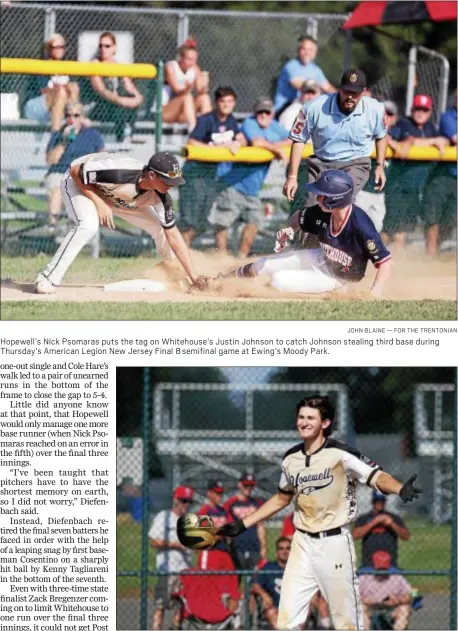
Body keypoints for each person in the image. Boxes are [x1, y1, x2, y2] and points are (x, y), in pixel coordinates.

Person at [216, 395, 422, 630]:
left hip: (334, 543)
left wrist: (399, 488)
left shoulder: (341, 453)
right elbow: (282, 497)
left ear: (325, 423)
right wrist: (243, 524)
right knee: (287, 621)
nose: (303, 422)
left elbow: (376, 476)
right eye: (301, 417)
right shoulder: (291, 458)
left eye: (310, 418)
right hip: (302, 542)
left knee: (347, 622)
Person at [34, 151, 208, 294]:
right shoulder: (120, 172)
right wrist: (100, 203)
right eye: (167, 181)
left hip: (118, 196)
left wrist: (195, 277)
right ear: (152, 175)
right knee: (88, 225)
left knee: (160, 229)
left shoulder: (161, 196)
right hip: (79, 183)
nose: (171, 185)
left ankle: (172, 272)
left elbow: (174, 236)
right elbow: (76, 171)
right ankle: (47, 277)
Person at [226, 170, 393, 298]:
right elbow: (298, 217)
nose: (317, 198)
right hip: (321, 258)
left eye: (322, 195)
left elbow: (385, 262)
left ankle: (239, 292)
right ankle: (220, 281)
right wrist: (290, 229)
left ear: (335, 199)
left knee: (279, 280)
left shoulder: (361, 224)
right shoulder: (323, 212)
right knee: (262, 265)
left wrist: (373, 294)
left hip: (337, 278)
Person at [284, 68, 388, 210]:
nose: (350, 96)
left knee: (341, 201)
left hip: (355, 162)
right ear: (339, 89)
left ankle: (341, 230)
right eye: (346, 91)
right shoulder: (313, 108)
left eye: (355, 93)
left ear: (363, 92)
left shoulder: (376, 109)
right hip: (321, 162)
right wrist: (292, 177)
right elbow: (298, 140)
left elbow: (381, 136)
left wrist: (380, 167)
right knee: (311, 210)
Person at [208, 97, 290, 257]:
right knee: (223, 222)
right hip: (232, 183)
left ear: (272, 113)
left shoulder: (274, 126)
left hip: (252, 188)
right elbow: (257, 141)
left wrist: (274, 147)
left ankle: (241, 258)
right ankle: (221, 257)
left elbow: (293, 139)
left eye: (267, 112)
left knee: (254, 222)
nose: (263, 115)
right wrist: (278, 150)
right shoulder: (249, 123)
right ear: (255, 112)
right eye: (260, 111)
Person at [181, 86, 246, 245]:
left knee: (203, 222)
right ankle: (176, 258)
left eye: (230, 101)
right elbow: (191, 141)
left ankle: (182, 253)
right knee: (190, 221)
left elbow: (241, 138)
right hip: (194, 175)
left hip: (210, 176)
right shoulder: (207, 120)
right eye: (223, 101)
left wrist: (237, 143)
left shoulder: (231, 120)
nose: (227, 105)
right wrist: (219, 148)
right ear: (217, 102)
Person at [382, 93, 448, 250]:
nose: (420, 113)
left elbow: (444, 140)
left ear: (430, 112)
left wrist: (433, 141)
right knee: (389, 230)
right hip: (398, 186)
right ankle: (375, 260)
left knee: (404, 229)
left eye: (424, 110)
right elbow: (400, 144)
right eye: (417, 109)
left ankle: (396, 262)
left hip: (415, 188)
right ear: (412, 110)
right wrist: (431, 142)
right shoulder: (404, 123)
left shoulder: (431, 128)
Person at [44, 101, 104, 228]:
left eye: (76, 115)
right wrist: (64, 141)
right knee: (56, 190)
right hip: (59, 172)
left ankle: (76, 228)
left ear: (82, 117)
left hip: (82, 174)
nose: (71, 119)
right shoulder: (58, 134)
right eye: (68, 115)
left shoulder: (92, 135)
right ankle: (53, 228)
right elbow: (51, 160)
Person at [148, 486, 194, 630]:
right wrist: (176, 544)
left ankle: (175, 628)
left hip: (184, 570)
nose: (186, 505)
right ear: (175, 500)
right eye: (183, 501)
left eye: (188, 501)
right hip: (167, 570)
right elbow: (154, 541)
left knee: (180, 608)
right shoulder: (164, 516)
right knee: (161, 606)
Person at [87, 32, 144, 140]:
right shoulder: (95, 64)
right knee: (121, 106)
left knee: (129, 100)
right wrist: (120, 100)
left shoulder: (117, 65)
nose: (103, 49)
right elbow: (101, 90)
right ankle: (121, 138)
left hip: (118, 107)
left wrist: (138, 98)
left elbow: (129, 87)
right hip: (100, 106)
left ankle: (127, 135)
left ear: (114, 48)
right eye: (101, 46)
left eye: (107, 46)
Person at [421, 90, 457, 256]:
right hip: (443, 176)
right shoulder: (448, 117)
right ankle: (430, 254)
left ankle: (439, 253)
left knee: (450, 219)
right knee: (433, 216)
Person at [356, 100, 398, 232]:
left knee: (376, 229)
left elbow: (404, 149)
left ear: (394, 118)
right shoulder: (365, 131)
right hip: (361, 191)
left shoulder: (398, 133)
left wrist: (391, 141)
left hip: (380, 194)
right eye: (382, 113)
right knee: (356, 227)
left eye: (389, 114)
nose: (386, 117)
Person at [24, 33, 80, 130]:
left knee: (73, 87)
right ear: (48, 48)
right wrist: (62, 89)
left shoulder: (67, 67)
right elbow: (43, 90)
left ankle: (73, 130)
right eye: (56, 47)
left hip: (61, 108)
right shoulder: (41, 66)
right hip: (36, 107)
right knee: (61, 92)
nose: (60, 50)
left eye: (62, 47)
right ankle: (55, 136)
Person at [175, 548, 240, 630]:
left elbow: (179, 594)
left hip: (197, 611)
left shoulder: (191, 576)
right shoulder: (217, 561)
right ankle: (236, 625)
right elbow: (233, 591)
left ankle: (176, 626)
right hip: (220, 613)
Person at [274, 36, 335, 115]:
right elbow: (303, 86)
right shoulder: (291, 66)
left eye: (310, 50)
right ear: (299, 50)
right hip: (284, 110)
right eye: (304, 49)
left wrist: (341, 97)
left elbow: (328, 87)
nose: (307, 53)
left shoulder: (315, 69)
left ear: (315, 52)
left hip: (304, 108)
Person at [162, 40, 212, 130]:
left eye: (194, 60)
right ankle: (193, 130)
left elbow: (201, 90)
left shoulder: (194, 68)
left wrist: (205, 85)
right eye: (189, 59)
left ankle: (208, 129)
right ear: (181, 58)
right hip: (164, 111)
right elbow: (177, 91)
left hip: (183, 113)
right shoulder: (171, 67)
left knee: (205, 97)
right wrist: (188, 88)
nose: (192, 63)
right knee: (187, 96)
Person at [223, 472, 267, 572]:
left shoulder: (257, 503)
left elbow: (261, 526)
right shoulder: (230, 504)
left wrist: (263, 549)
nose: (248, 488)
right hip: (237, 547)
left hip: (254, 547)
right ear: (239, 484)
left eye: (251, 485)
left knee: (255, 580)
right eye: (246, 485)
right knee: (236, 579)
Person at [359, 551, 413, 630]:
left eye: (384, 569)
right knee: (360, 608)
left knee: (404, 609)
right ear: (374, 566)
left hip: (391, 609)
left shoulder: (397, 577)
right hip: (370, 608)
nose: (382, 572)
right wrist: (363, 600)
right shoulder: (364, 577)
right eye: (379, 569)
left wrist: (399, 600)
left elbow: (413, 593)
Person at [250, 537, 291, 629]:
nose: (285, 552)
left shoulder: (298, 568)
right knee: (271, 612)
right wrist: (264, 595)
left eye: (288, 548)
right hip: (274, 607)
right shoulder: (269, 568)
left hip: (295, 608)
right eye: (281, 548)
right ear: (277, 552)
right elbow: (254, 585)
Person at [197, 479, 228, 550]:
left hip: (223, 550)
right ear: (209, 493)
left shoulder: (223, 511)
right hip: (210, 551)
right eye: (217, 493)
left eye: (221, 493)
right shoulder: (204, 511)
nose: (219, 495)